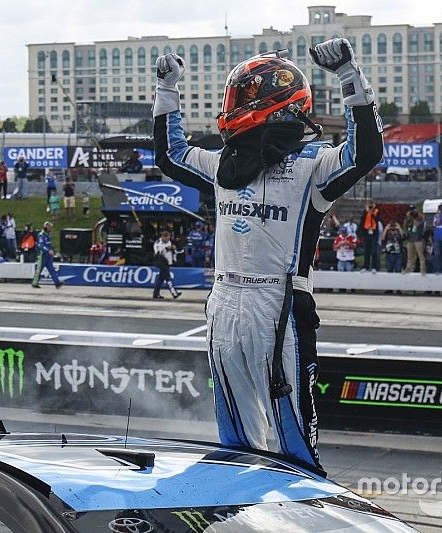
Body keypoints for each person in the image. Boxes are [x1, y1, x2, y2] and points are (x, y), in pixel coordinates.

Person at [153, 37, 383, 472]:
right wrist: (167, 89)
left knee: (295, 442)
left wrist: (351, 77)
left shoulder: (313, 166)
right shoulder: (224, 165)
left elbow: (365, 152)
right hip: (223, 301)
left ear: (277, 105)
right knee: (235, 443)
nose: (234, 106)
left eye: (243, 97)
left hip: (279, 304)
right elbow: (170, 155)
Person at [31, 221, 63, 289]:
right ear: (46, 227)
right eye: (49, 227)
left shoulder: (48, 234)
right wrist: (48, 251)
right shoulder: (41, 235)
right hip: (42, 255)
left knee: (52, 269)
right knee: (39, 269)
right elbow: (41, 245)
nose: (50, 228)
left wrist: (53, 251)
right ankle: (35, 283)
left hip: (49, 255)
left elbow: (49, 245)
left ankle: (57, 283)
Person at [152, 231, 182, 299]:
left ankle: (155, 294)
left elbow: (172, 250)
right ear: (163, 237)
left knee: (160, 279)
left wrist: (173, 251)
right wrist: (166, 248)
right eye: (167, 238)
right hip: (161, 262)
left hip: (168, 262)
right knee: (168, 278)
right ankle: (174, 293)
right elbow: (157, 252)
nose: (168, 239)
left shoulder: (169, 242)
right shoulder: (158, 243)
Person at [403, 206, 426, 274]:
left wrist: (414, 217)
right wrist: (408, 218)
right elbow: (405, 226)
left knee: (420, 255)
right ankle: (408, 268)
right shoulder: (409, 219)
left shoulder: (420, 218)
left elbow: (418, 224)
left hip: (418, 239)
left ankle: (422, 269)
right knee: (410, 256)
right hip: (410, 239)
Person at [360, 202, 381, 272]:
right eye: (369, 206)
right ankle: (366, 266)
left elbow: (377, 219)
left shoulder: (376, 211)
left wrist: (372, 212)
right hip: (367, 232)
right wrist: (366, 211)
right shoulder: (365, 212)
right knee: (366, 251)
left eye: (371, 206)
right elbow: (362, 219)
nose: (370, 207)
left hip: (374, 233)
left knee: (374, 251)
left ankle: (374, 267)